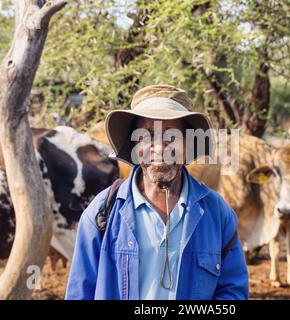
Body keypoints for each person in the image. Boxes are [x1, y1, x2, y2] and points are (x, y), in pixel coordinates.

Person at [65, 84, 248, 300]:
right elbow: (79, 293)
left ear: (188, 144)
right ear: (135, 144)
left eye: (172, 137)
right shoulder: (102, 213)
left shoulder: (217, 214)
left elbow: (232, 293)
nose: (160, 147)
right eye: (147, 135)